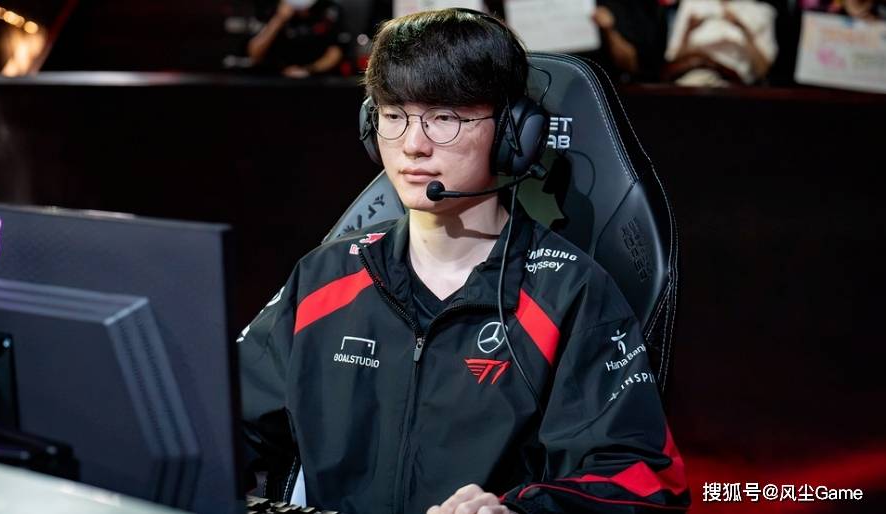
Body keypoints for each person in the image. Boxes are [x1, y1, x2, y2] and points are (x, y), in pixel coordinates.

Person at [239, 8, 689, 514]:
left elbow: (643, 481)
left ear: (513, 134)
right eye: (394, 115)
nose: (413, 145)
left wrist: (516, 510)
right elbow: (220, 421)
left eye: (445, 119)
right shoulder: (324, 277)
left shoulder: (570, 295)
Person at [247, 0, 345, 77]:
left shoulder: (329, 10)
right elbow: (254, 53)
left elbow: (336, 52)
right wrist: (279, 19)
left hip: (316, 80)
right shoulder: (270, 7)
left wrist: (308, 70)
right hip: (273, 78)